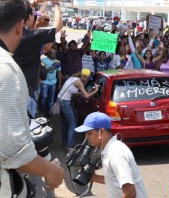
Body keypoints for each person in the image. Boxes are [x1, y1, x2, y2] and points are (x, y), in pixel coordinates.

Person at [0, 0, 63, 196]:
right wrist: (49, 170)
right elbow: (10, 146)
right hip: (24, 93)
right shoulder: (7, 69)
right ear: (20, 25)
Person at [74, 112, 147, 198]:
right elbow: (115, 180)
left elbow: (130, 192)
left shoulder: (115, 154)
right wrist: (95, 178)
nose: (86, 137)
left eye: (89, 133)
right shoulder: (111, 149)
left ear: (101, 132)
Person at [58, 69, 99, 151]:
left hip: (61, 100)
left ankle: (65, 142)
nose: (87, 80)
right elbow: (87, 97)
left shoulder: (73, 78)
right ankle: (70, 146)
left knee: (66, 122)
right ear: (84, 76)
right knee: (73, 123)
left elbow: (73, 92)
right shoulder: (79, 82)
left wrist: (84, 92)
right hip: (65, 102)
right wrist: (96, 90)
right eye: (87, 78)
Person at [40, 48, 62, 117]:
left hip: (53, 83)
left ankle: (48, 112)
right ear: (48, 53)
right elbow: (41, 71)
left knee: (51, 99)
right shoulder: (43, 60)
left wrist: (60, 83)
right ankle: (42, 110)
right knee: (44, 97)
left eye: (55, 53)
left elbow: (59, 73)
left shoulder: (58, 62)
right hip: (44, 82)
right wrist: (50, 68)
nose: (54, 54)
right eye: (53, 53)